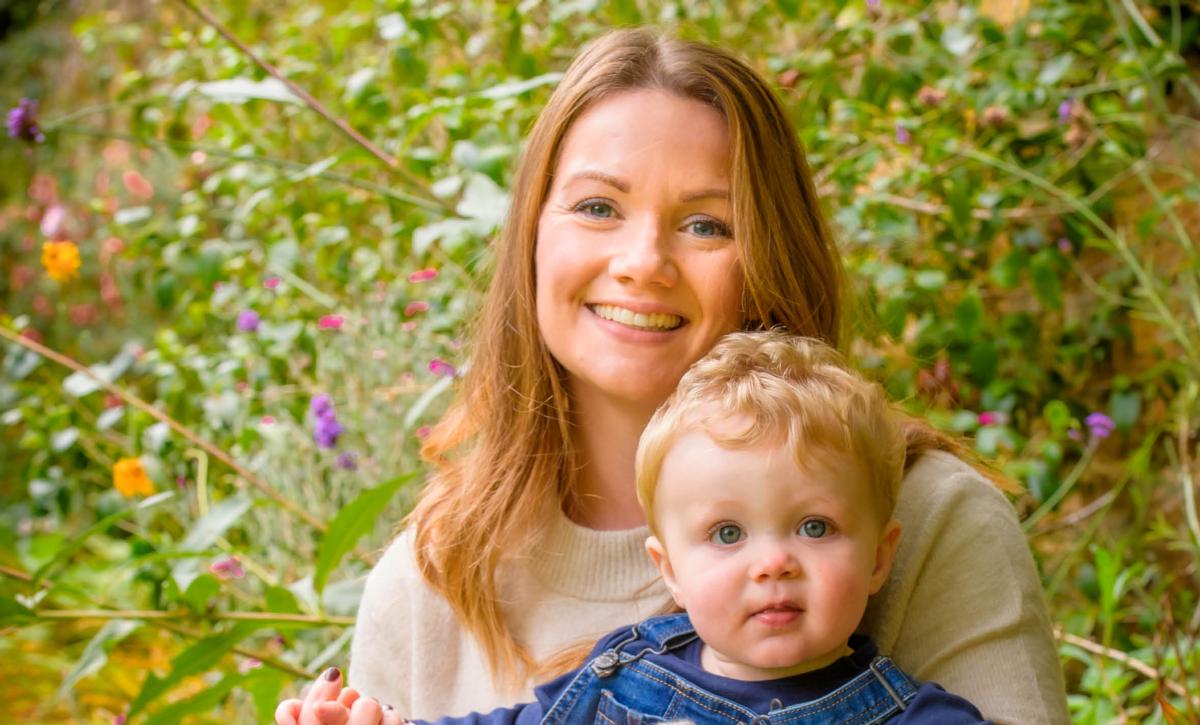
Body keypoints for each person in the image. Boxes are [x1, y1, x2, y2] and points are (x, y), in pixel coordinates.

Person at [278, 27, 1067, 725]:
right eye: (597, 207)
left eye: (705, 225)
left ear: (768, 258)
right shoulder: (432, 578)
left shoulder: (927, 518)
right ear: (531, 239)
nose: (642, 263)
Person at [280, 332, 993, 724]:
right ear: (669, 569)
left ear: (879, 556)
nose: (773, 562)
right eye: (726, 534)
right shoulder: (623, 679)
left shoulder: (918, 718)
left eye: (814, 526)